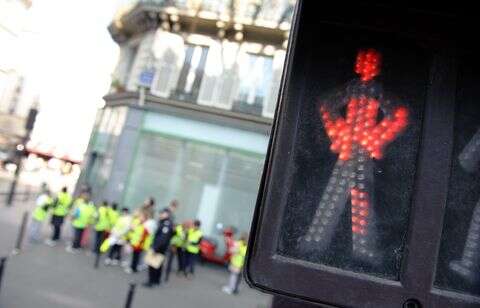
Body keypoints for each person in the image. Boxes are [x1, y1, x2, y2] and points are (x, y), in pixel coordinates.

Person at [143, 208, 173, 288]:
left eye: (162, 213)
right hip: (160, 248)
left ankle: (151, 282)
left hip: (159, 249)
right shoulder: (164, 223)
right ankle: (156, 281)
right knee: (157, 266)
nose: (160, 215)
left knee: (153, 265)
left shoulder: (166, 224)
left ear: (167, 214)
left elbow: (162, 239)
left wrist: (154, 248)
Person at [126, 209, 153, 273]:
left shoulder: (146, 225)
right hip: (136, 242)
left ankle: (133, 268)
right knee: (135, 256)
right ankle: (134, 267)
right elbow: (134, 230)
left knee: (136, 256)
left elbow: (145, 236)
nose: (140, 217)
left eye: (141, 216)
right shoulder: (139, 223)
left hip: (139, 244)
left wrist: (141, 244)